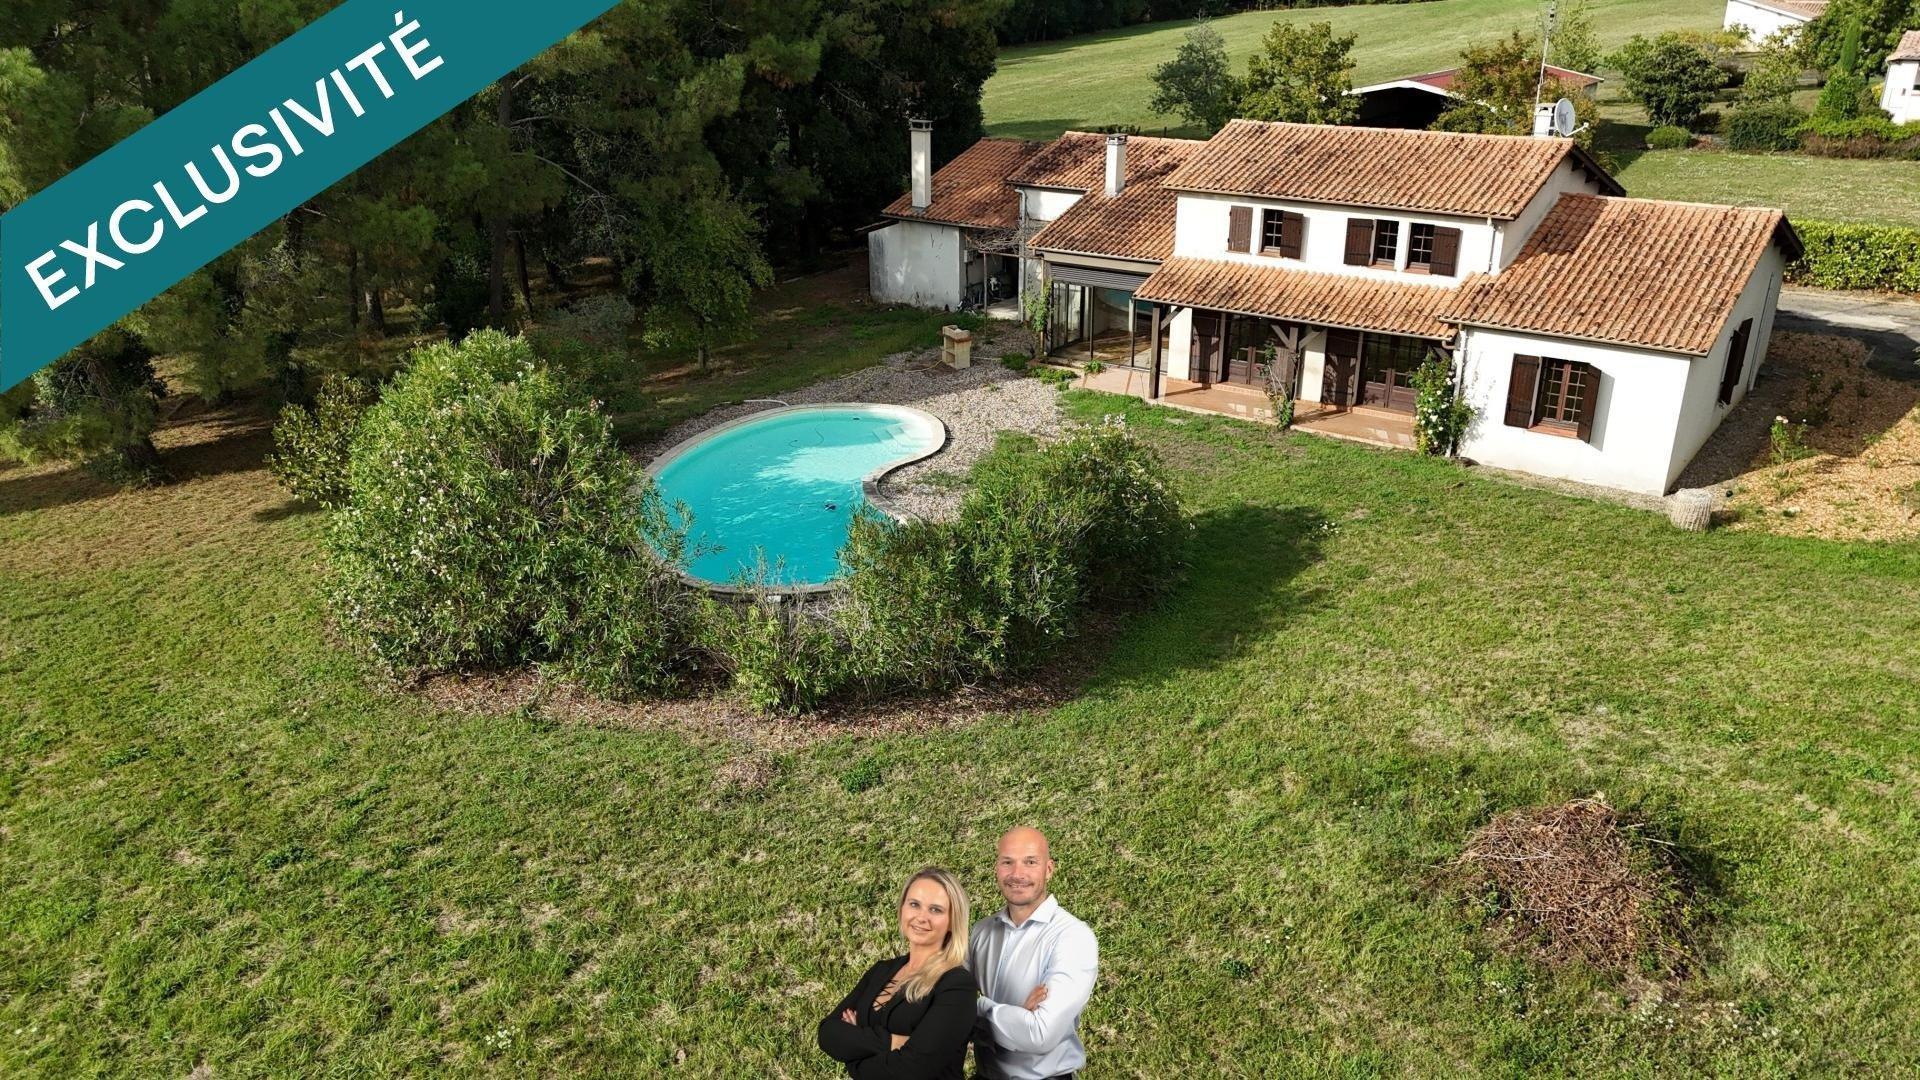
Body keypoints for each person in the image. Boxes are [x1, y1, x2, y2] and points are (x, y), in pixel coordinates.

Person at [819, 867, 979, 1079]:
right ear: (902, 908)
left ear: (952, 921)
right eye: (914, 904)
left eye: (935, 910)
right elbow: (828, 1033)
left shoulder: (957, 985)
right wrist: (892, 1042)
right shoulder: (881, 970)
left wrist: (855, 1060)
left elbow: (914, 1069)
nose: (921, 917)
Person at [969, 827, 1098, 1080]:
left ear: (1048, 869)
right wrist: (1017, 1014)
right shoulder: (982, 931)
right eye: (1008, 862)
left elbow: (1039, 1034)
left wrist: (980, 1008)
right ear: (997, 868)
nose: (1017, 874)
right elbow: (944, 1007)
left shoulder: (1073, 937)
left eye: (1030, 862)